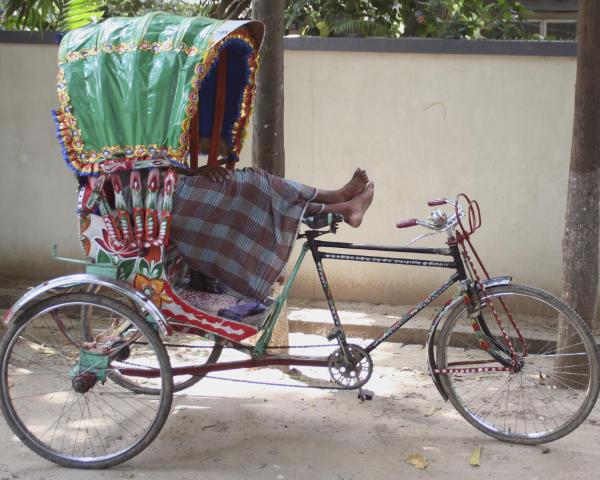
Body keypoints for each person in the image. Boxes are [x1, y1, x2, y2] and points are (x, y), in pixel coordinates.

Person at [170, 166, 374, 302]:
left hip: (171, 190)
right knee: (255, 181)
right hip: (162, 201)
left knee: (255, 184)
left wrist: (191, 170)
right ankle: (337, 201)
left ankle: (340, 204)